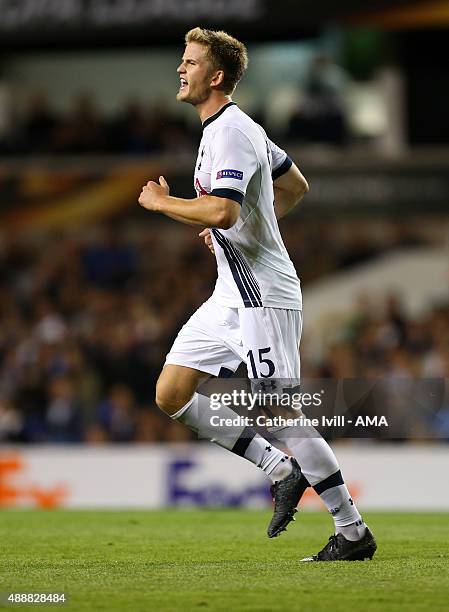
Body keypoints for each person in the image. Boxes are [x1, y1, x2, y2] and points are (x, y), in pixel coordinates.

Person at [138, 27, 376, 562]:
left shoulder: (229, 132)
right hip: (230, 292)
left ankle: (353, 531)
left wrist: (164, 203)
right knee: (171, 394)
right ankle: (278, 469)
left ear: (216, 76)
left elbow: (222, 208)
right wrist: (237, 227)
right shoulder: (232, 129)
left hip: (262, 294)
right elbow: (293, 187)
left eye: (191, 62)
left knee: (283, 413)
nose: (181, 69)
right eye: (182, 60)